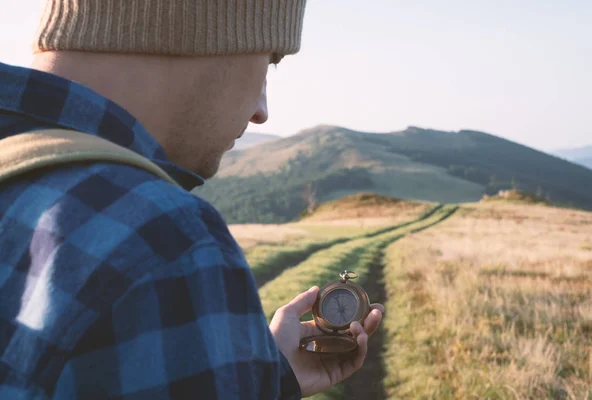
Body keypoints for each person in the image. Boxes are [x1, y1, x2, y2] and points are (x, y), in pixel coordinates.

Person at [0, 1, 384, 399]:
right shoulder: (163, 239)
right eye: (269, 61)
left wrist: (270, 378)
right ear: (201, 35)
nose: (261, 111)